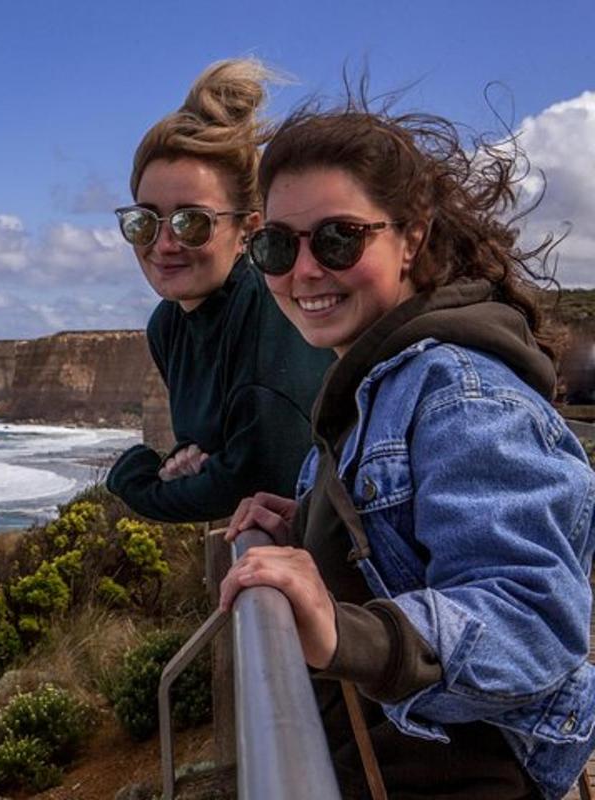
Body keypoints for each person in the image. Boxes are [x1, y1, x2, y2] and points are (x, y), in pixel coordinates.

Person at [221, 97, 595, 799]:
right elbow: (404, 546)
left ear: (411, 238)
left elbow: (533, 618)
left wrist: (343, 632)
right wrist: (306, 524)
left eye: (338, 239)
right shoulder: (377, 380)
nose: (302, 271)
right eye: (276, 244)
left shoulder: (457, 390)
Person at [105, 59, 334, 523]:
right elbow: (212, 462)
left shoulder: (271, 310)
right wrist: (196, 465)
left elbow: (258, 477)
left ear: (248, 228)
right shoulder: (168, 326)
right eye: (144, 221)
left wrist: (133, 476)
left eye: (193, 222)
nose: (164, 244)